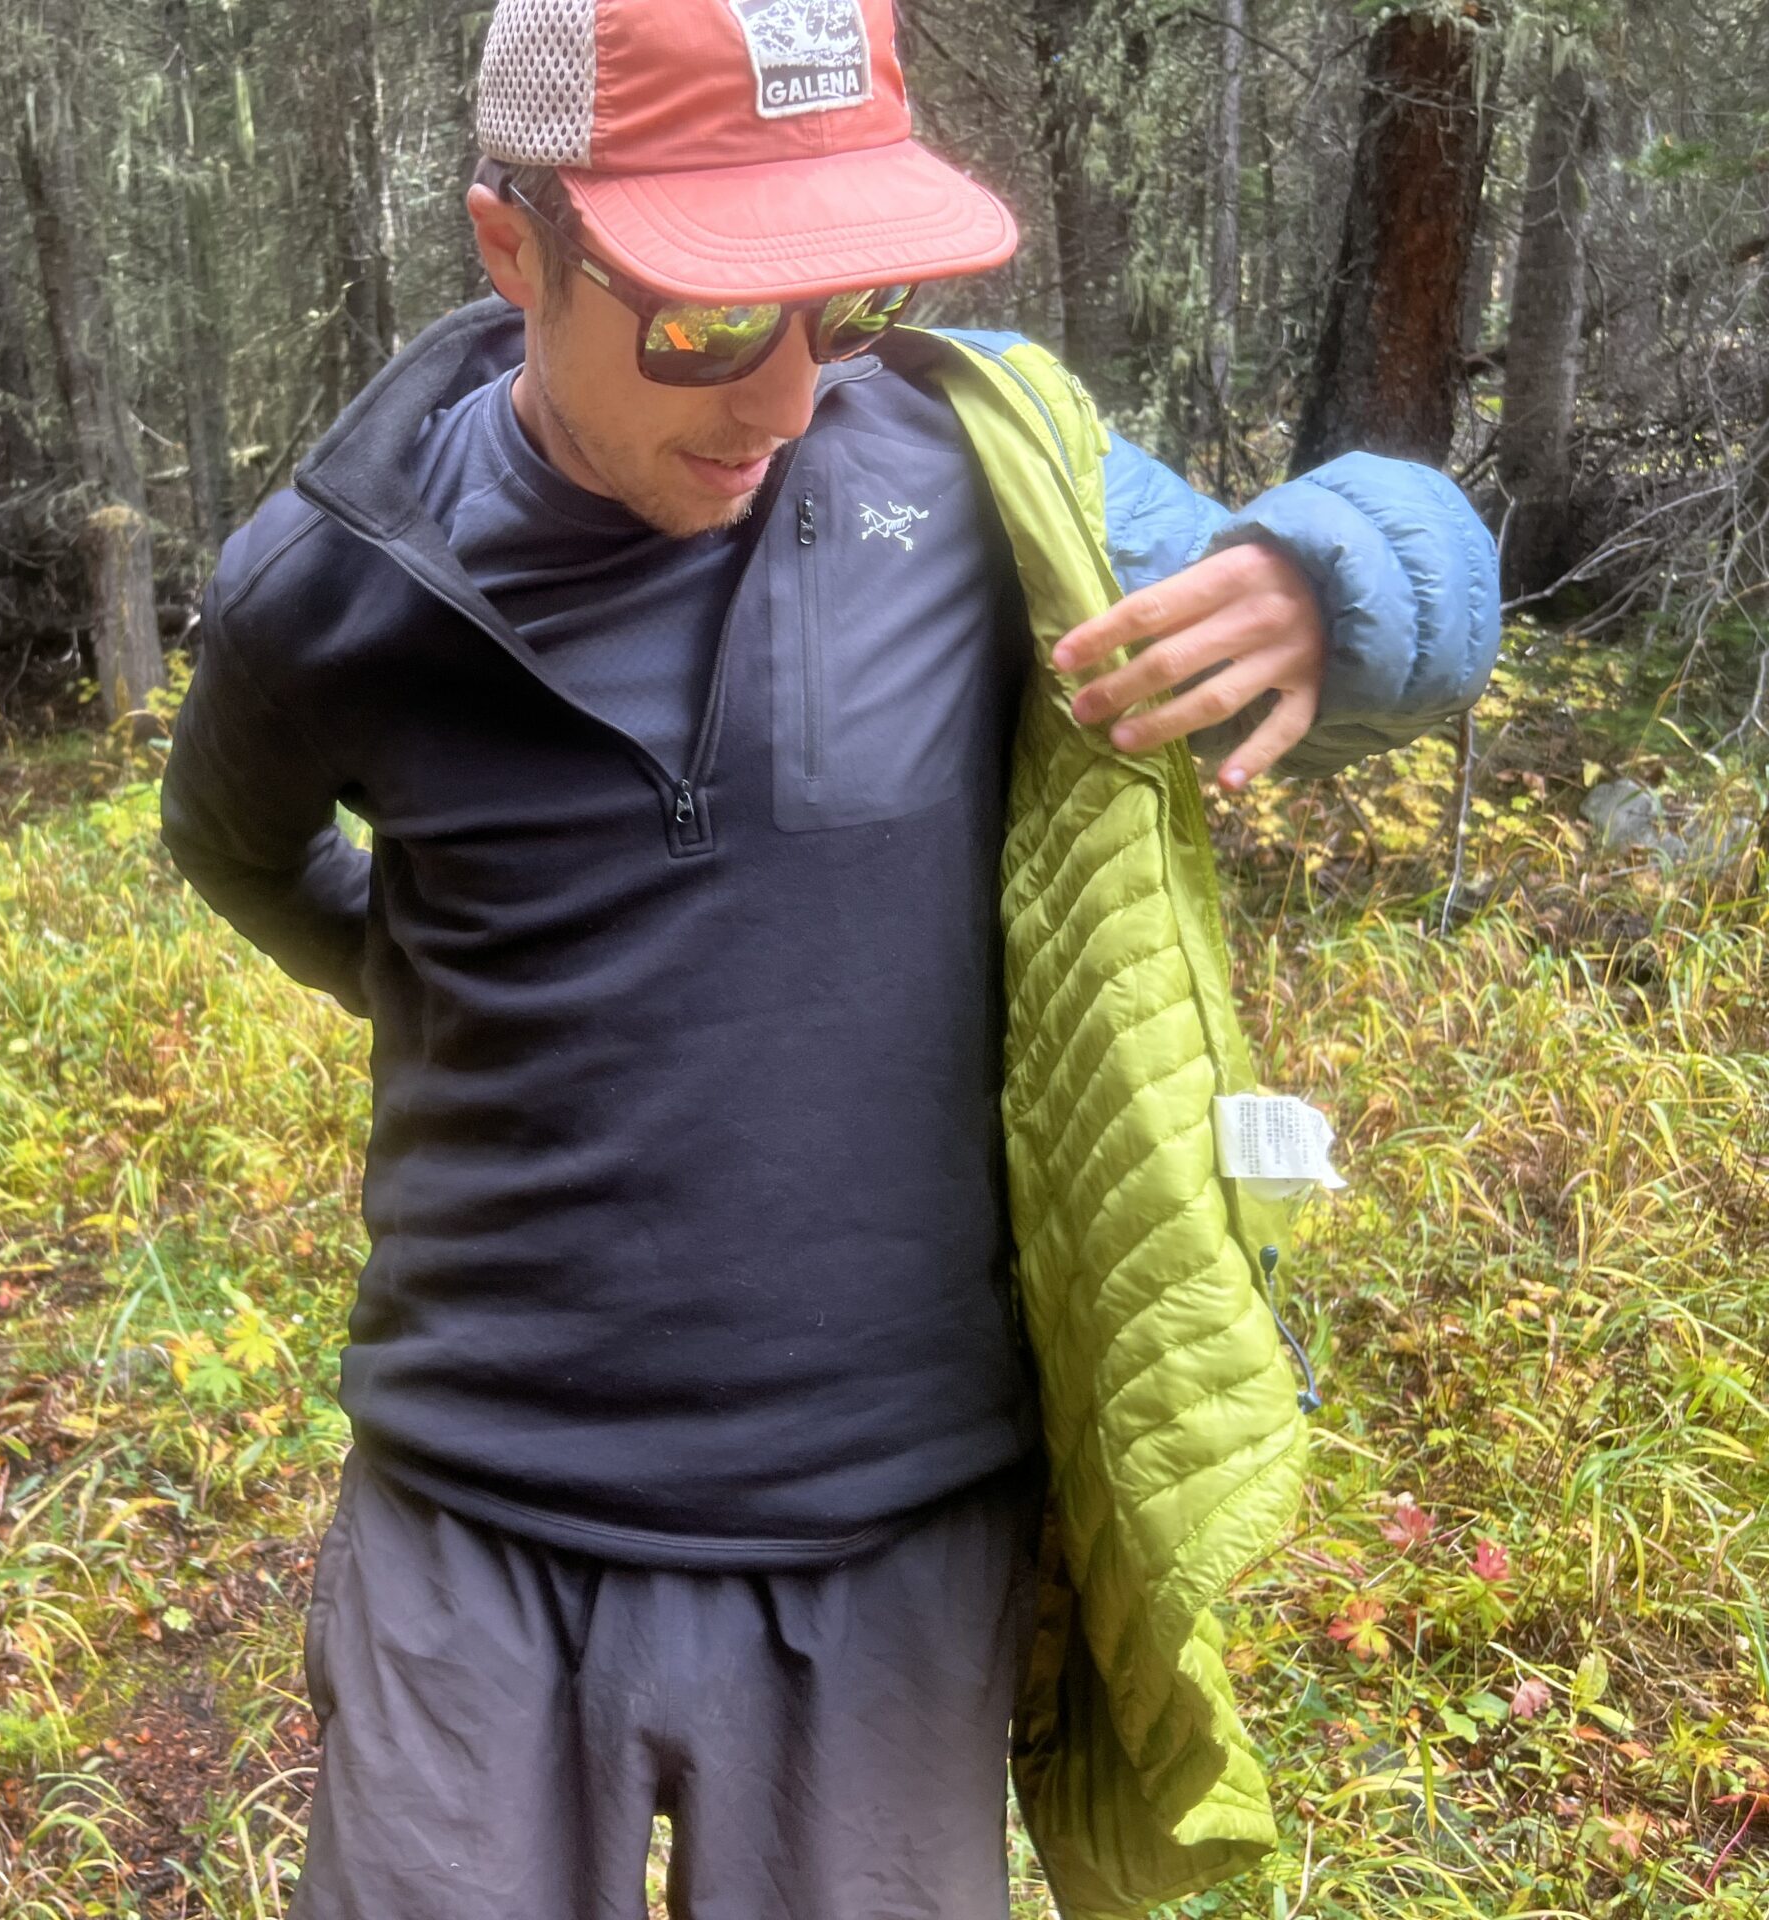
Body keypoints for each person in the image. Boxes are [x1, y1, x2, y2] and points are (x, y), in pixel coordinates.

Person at [159, 2, 1500, 1913]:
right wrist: (427, 977)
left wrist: (1331, 580)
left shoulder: (974, 473)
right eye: (705, 321)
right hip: (472, 1523)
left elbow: (1412, 583)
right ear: (511, 247)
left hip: (889, 1532)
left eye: (847, 299)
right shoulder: (334, 581)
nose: (786, 398)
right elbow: (234, 844)